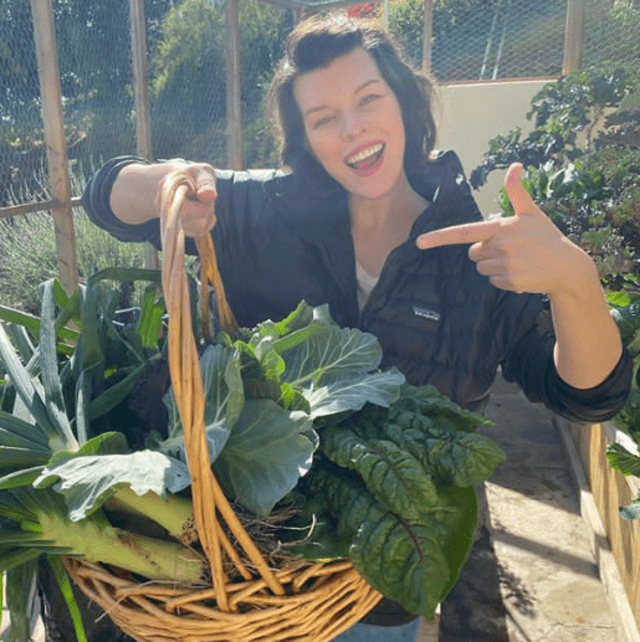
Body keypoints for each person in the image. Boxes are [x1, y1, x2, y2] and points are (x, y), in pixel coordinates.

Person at [79, 14, 631, 642]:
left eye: (369, 99)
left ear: (405, 100)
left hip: (384, 594)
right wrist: (158, 184)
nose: (353, 130)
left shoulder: (478, 253)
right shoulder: (261, 212)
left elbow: (589, 395)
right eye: (323, 118)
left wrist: (574, 281)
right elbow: (103, 200)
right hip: (260, 582)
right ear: (305, 138)